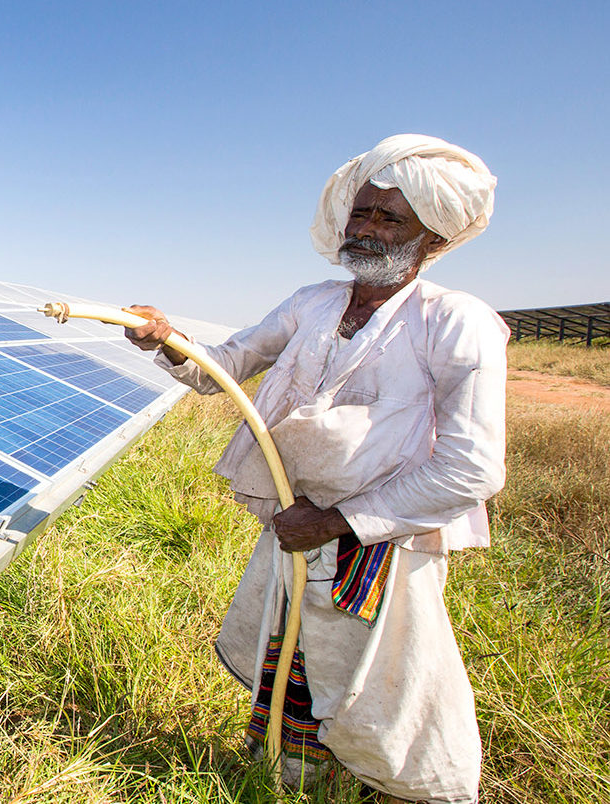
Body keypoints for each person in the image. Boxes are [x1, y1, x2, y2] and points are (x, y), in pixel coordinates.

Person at [123, 134, 507, 803]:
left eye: (392, 219)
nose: (367, 228)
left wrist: (337, 522)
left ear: (433, 239)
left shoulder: (455, 321)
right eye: (362, 212)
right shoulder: (313, 302)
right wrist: (167, 339)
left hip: (383, 542)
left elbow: (471, 468)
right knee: (292, 650)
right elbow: (226, 368)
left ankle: (410, 791)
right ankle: (292, 777)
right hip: (294, 524)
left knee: (383, 692)